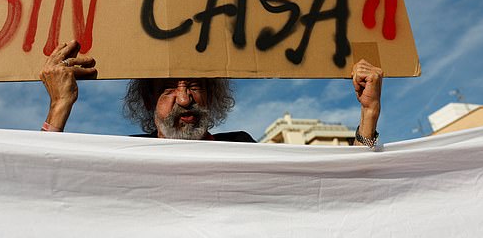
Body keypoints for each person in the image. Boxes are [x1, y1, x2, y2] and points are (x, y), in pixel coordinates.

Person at [40, 40, 383, 147]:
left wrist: (368, 114)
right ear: (147, 100)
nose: (185, 99)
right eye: (169, 89)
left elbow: (337, 193)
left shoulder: (241, 147)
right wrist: (60, 106)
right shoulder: (127, 153)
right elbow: (50, 191)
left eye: (194, 86)